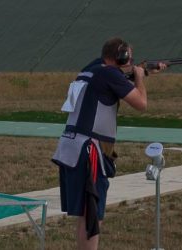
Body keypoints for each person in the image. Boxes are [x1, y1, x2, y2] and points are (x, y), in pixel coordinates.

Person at [52, 37, 166, 250]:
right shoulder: (110, 74)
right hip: (90, 151)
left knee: (86, 214)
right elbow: (141, 104)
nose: (131, 62)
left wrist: (142, 71)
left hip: (71, 148)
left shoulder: (92, 69)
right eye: (129, 58)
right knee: (93, 216)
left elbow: (116, 77)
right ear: (121, 56)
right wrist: (140, 77)